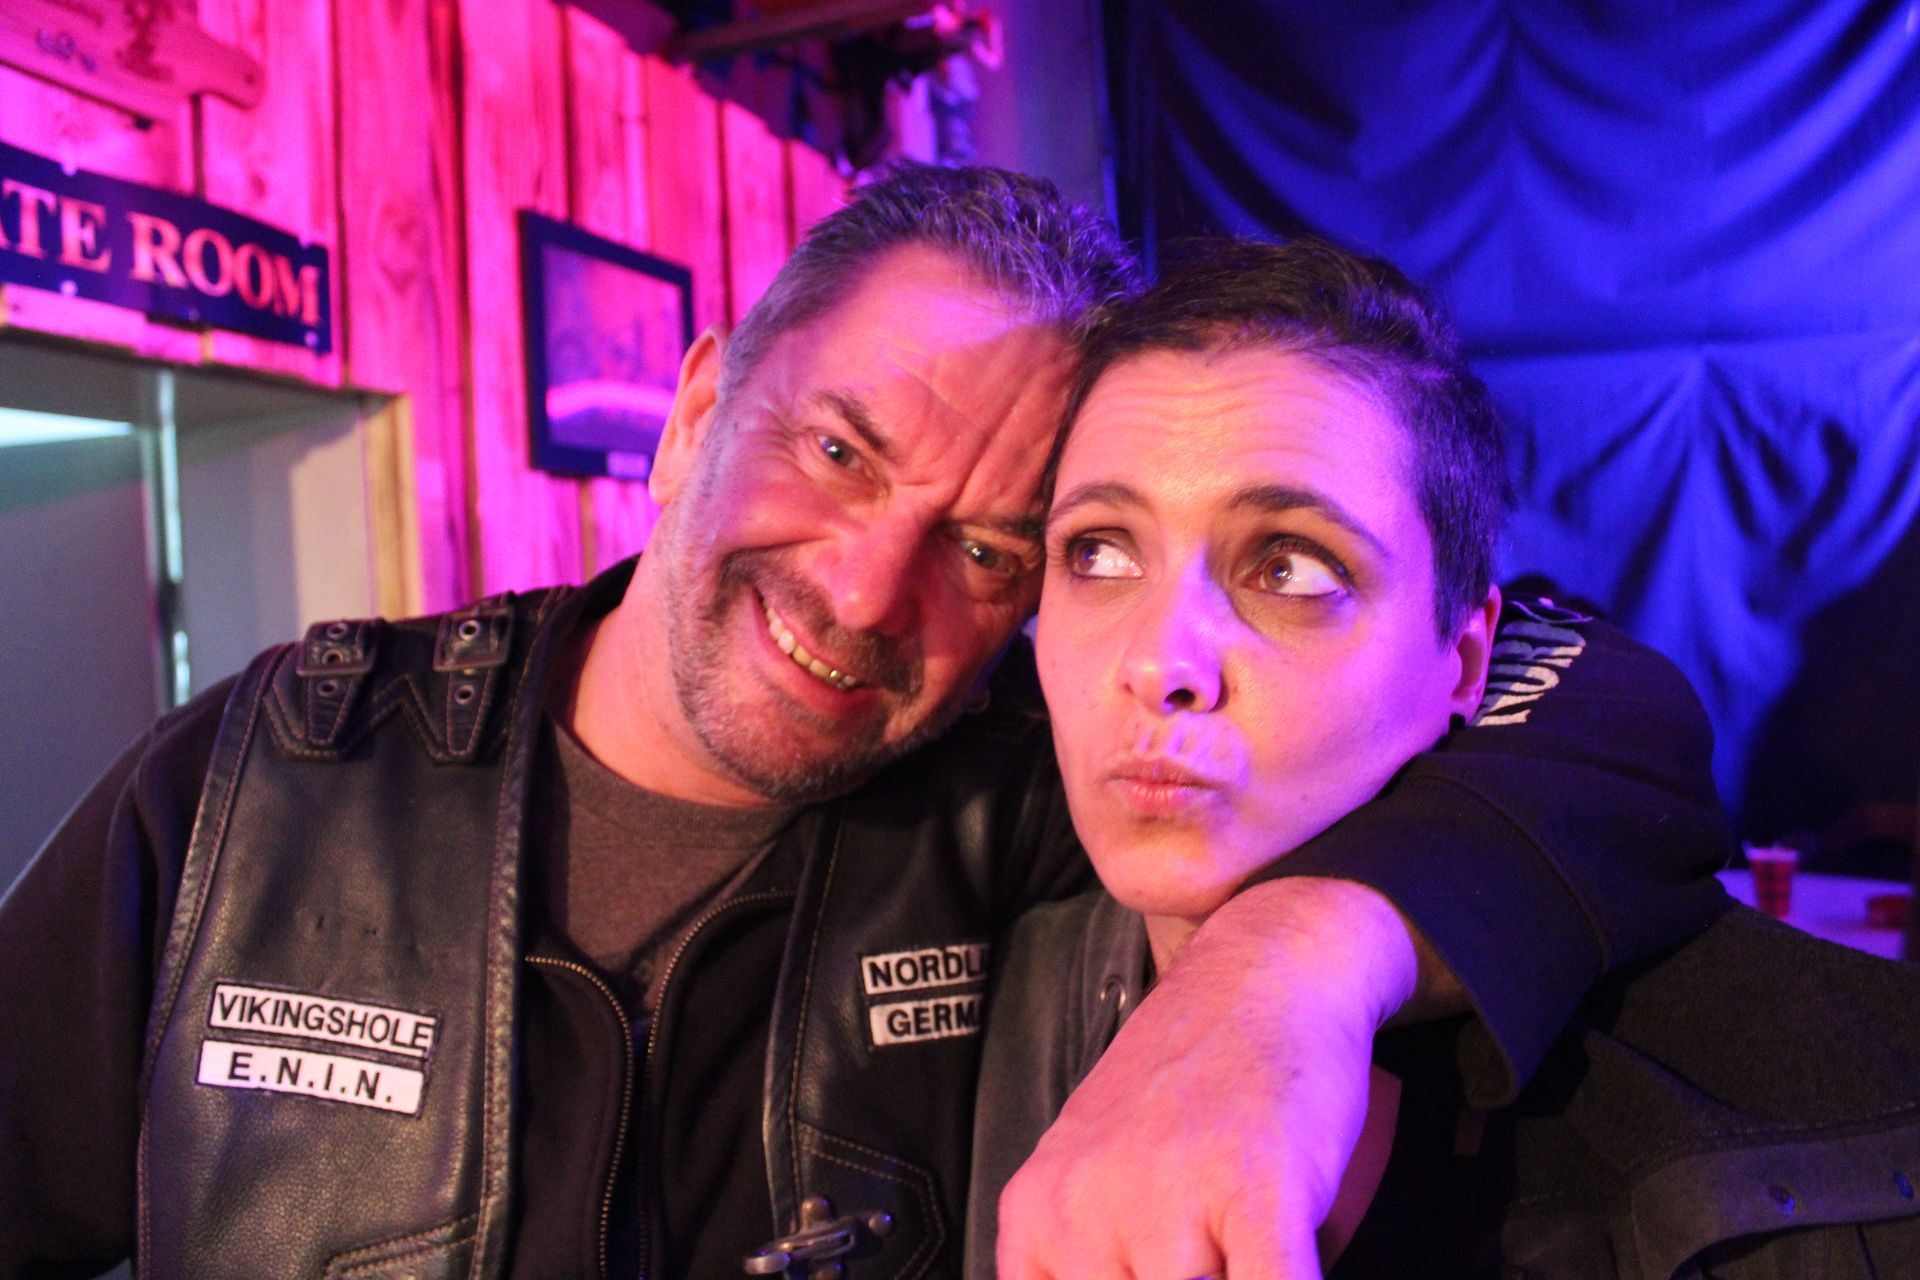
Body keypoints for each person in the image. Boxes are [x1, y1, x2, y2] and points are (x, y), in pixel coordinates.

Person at [0, 167, 1730, 1280]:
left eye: (991, 548)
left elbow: (1592, 696)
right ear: (697, 411)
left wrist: (1282, 973)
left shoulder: (1029, 802)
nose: (863, 588)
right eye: (837, 450)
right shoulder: (263, 785)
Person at [968, 236, 1920, 1278]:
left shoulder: (1827, 1130)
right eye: (1099, 551)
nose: (1160, 662)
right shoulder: (984, 993)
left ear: (1465, 661)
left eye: (1289, 568)